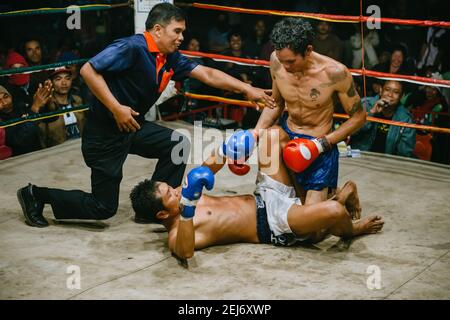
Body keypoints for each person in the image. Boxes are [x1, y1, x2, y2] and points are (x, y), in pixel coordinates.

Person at [17, 3, 275, 228]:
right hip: (105, 135)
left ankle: (154, 206)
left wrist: (247, 89)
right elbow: (87, 70)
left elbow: (206, 73)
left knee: (176, 143)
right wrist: (116, 107)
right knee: (103, 208)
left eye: (183, 32)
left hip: (132, 127)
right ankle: (36, 195)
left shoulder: (169, 57)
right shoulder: (131, 47)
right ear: (158, 30)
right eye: (177, 31)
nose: (181, 37)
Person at [130, 130, 384, 259]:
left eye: (170, 187)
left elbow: (209, 166)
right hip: (273, 224)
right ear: (163, 213)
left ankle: (327, 198)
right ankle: (351, 227)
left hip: (264, 194)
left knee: (274, 136)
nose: (175, 190)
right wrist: (187, 210)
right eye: (169, 194)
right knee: (335, 212)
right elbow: (185, 253)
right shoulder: (177, 235)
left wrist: (228, 149)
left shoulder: (185, 190)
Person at [252, 17, 366, 206]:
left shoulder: (335, 73)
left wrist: (321, 144)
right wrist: (254, 133)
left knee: (311, 233)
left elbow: (359, 117)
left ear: (308, 51)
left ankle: (345, 192)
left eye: (291, 61)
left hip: (319, 145)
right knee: (272, 206)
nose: (286, 67)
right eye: (282, 61)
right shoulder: (276, 60)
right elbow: (277, 103)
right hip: (287, 138)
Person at [350, 80, 416, 158]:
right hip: (360, 157)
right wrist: (372, 113)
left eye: (396, 92)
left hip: (386, 163)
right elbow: (351, 132)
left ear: (401, 96)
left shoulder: (406, 119)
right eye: (387, 90)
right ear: (381, 91)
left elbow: (404, 153)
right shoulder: (365, 104)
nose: (390, 95)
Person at [38, 67, 86, 148]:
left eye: (67, 78)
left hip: (80, 147)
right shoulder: (46, 105)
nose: (64, 83)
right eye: (58, 79)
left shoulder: (78, 100)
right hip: (58, 152)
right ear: (51, 82)